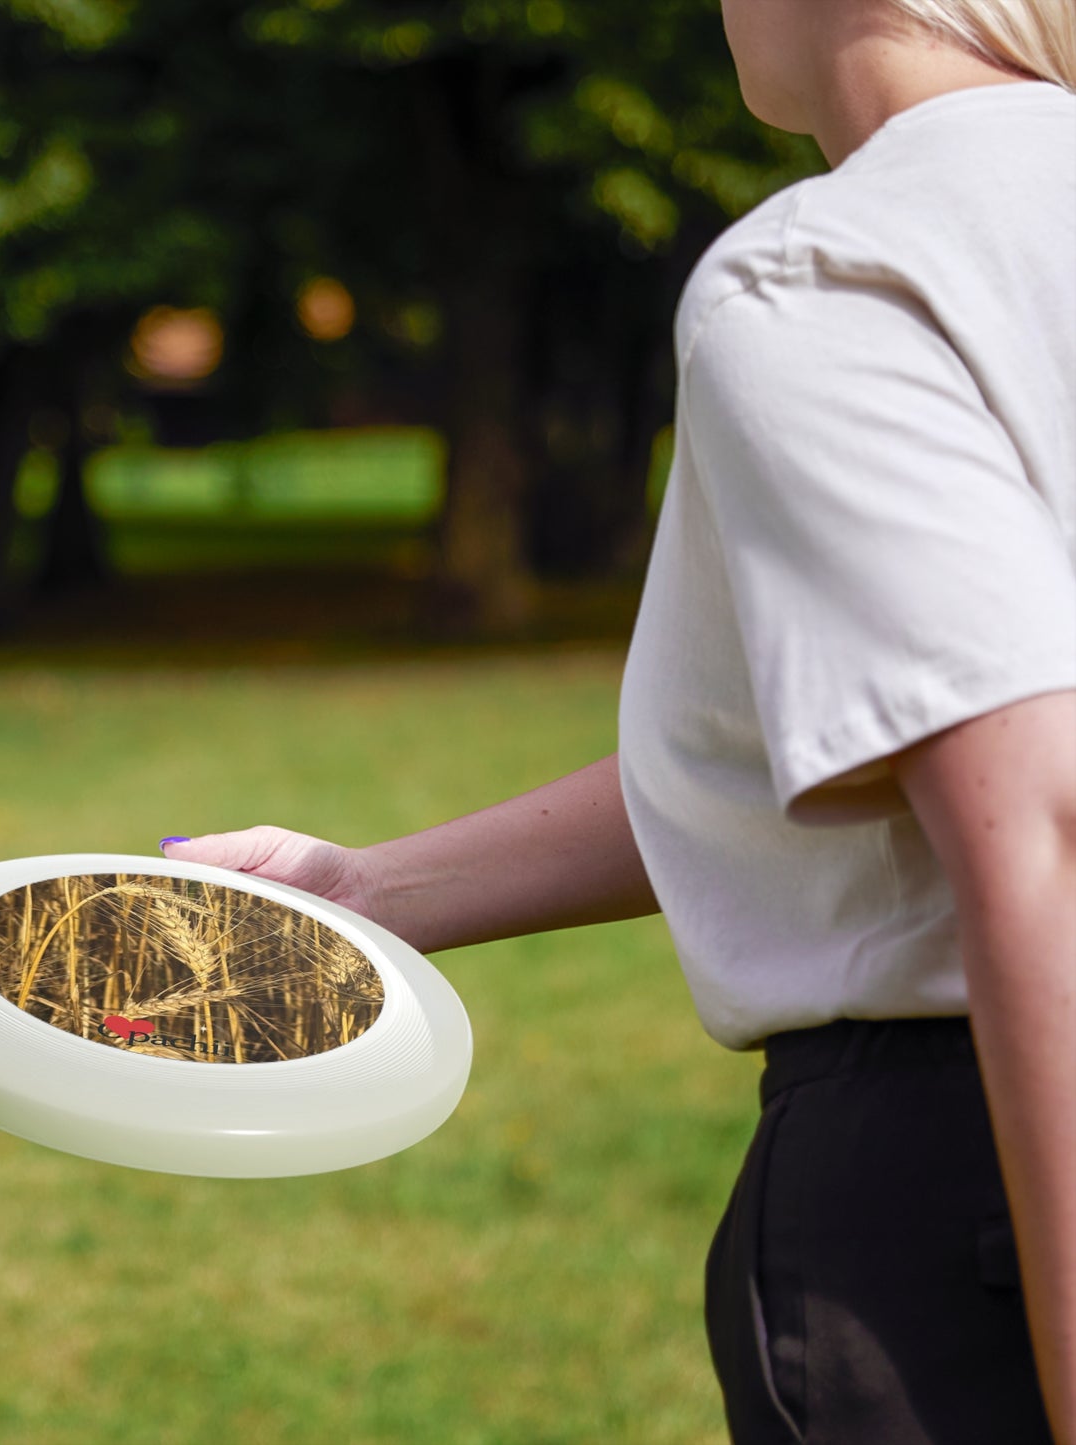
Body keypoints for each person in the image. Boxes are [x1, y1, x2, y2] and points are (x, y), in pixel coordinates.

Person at [159, 2, 1076, 1440]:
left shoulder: (834, 270)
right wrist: (368, 889)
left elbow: (1039, 821)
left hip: (973, 1193)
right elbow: (853, 741)